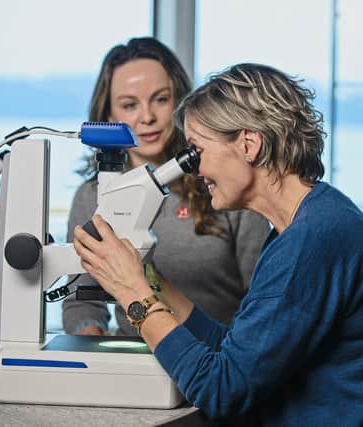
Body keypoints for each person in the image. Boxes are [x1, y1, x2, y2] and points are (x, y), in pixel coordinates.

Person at [73, 63, 363, 426]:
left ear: (248, 144)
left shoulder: (309, 243)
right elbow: (238, 354)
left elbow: (221, 391)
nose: (195, 170)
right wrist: (149, 279)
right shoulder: (312, 219)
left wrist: (133, 294)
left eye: (197, 152)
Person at [62, 38, 269, 336]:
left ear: (181, 102)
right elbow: (81, 300)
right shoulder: (92, 196)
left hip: (215, 360)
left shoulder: (225, 187)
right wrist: (95, 362)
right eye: (129, 105)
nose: (147, 117)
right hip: (133, 362)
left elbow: (261, 299)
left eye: (160, 99)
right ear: (109, 116)